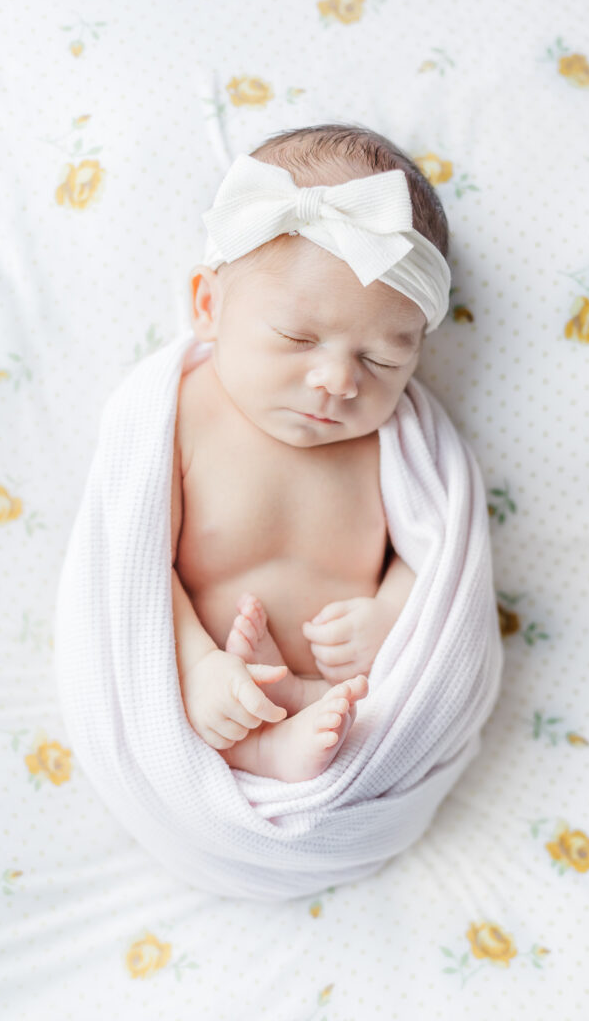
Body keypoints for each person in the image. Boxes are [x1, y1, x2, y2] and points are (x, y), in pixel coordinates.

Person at [170, 123, 451, 783]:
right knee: (219, 696)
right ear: (208, 306)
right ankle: (257, 741)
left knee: (347, 717)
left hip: (349, 704)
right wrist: (197, 665)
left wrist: (392, 614)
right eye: (298, 338)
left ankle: (301, 727)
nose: (339, 381)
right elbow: (134, 566)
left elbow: (438, 551)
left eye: (381, 359)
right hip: (210, 695)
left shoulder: (392, 441)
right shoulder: (182, 415)